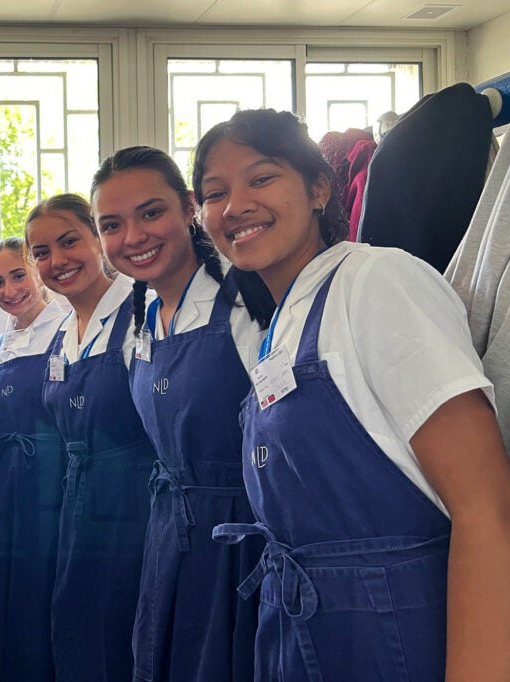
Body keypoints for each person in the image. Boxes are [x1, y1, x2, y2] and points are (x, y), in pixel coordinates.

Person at [193, 108, 510, 681]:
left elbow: (485, 506)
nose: (235, 205)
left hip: (396, 632)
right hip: (304, 628)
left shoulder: (377, 281)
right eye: (215, 193)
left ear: (319, 189)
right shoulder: (283, 321)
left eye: (262, 178)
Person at [90, 145, 271, 682]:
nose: (134, 237)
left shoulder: (246, 307)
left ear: (189, 207)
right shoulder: (139, 319)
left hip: (242, 539)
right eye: (112, 224)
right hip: (169, 532)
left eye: (151, 212)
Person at [25, 194, 156, 680]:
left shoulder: (139, 312)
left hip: (134, 505)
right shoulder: (63, 332)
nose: (56, 261)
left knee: (125, 631)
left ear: (97, 240)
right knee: (79, 629)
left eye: (69, 242)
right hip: (79, 503)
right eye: (41, 252)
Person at [0, 237, 65, 681]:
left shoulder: (69, 329)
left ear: (39, 273)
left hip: (52, 484)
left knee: (40, 590)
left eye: (18, 274)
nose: (9, 290)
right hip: (0, 486)